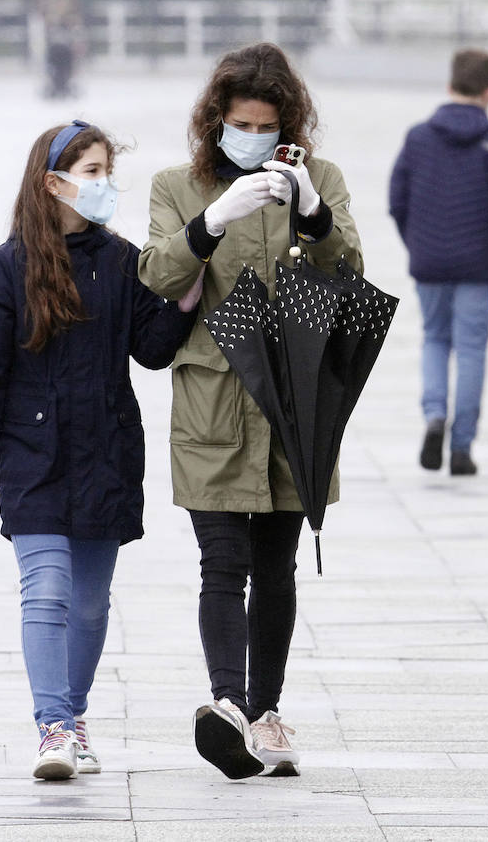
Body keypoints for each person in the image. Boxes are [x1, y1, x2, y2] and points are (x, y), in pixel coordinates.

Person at [0, 121, 200, 780]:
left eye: (107, 171)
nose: (103, 184)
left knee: (89, 604)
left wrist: (186, 290)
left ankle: (74, 715)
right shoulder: (8, 268)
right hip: (33, 453)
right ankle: (52, 726)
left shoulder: (121, 259)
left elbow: (152, 349)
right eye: (91, 171)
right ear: (52, 182)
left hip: (107, 450)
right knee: (47, 591)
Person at [138, 42, 363, 780]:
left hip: (295, 405)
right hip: (214, 399)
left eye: (267, 124)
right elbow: (158, 273)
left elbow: (349, 271)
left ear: (288, 123)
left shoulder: (318, 177)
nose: (253, 135)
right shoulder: (178, 184)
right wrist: (211, 222)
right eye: (240, 122)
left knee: (277, 564)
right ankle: (227, 706)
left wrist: (313, 210)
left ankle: (265, 712)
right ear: (216, 120)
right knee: (221, 559)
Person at [389, 49, 488, 476]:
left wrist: (417, 245)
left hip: (429, 262)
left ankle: (434, 415)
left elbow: (397, 200)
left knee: (434, 339)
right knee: (470, 349)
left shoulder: (418, 137)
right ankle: (462, 447)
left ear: (450, 86)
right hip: (477, 265)